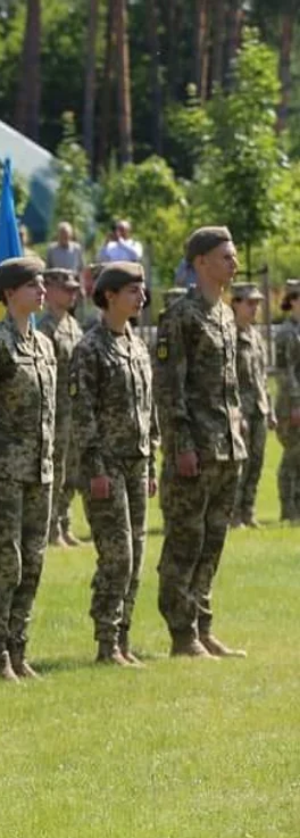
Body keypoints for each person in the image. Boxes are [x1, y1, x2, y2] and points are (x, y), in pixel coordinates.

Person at [154, 227, 247, 659]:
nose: (235, 263)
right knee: (185, 540)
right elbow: (170, 390)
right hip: (195, 449)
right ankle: (181, 633)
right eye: (226, 257)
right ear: (201, 263)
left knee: (213, 541)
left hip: (227, 447)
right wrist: (181, 446)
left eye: (234, 255)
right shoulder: (180, 317)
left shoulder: (226, 315)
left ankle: (202, 626)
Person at [0, 256, 57, 682]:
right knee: (5, 562)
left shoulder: (43, 345)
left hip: (38, 471)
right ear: (9, 293)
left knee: (33, 561)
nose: (41, 291)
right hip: (2, 471)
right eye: (31, 285)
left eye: (41, 284)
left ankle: (19, 647)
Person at [70, 261, 157, 667]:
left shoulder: (137, 345)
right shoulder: (90, 348)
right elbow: (82, 412)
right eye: (132, 291)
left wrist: (152, 463)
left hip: (137, 462)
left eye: (141, 290)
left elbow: (148, 408)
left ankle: (123, 639)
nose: (141, 297)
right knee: (117, 553)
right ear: (109, 296)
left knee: (136, 552)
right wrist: (95, 469)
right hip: (106, 465)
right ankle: (106, 640)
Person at [38, 269, 86, 548]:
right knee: (55, 468)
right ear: (51, 290)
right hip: (55, 411)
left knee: (72, 468)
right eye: (66, 289)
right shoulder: (45, 328)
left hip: (75, 410)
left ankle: (65, 523)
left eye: (74, 289)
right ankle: (51, 526)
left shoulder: (73, 326)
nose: (73, 294)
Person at [230, 282, 271, 529]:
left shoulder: (256, 336)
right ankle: (233, 514)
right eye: (249, 303)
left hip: (259, 408)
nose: (254, 308)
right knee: (240, 466)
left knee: (256, 462)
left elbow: (262, 375)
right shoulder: (230, 336)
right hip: (241, 410)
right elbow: (228, 378)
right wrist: (236, 412)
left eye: (257, 303)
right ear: (235, 303)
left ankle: (248, 511)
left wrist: (270, 409)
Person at [274, 280, 300, 522]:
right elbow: (285, 371)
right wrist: (295, 404)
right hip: (291, 404)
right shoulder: (286, 334)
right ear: (292, 301)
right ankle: (288, 509)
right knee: (292, 454)